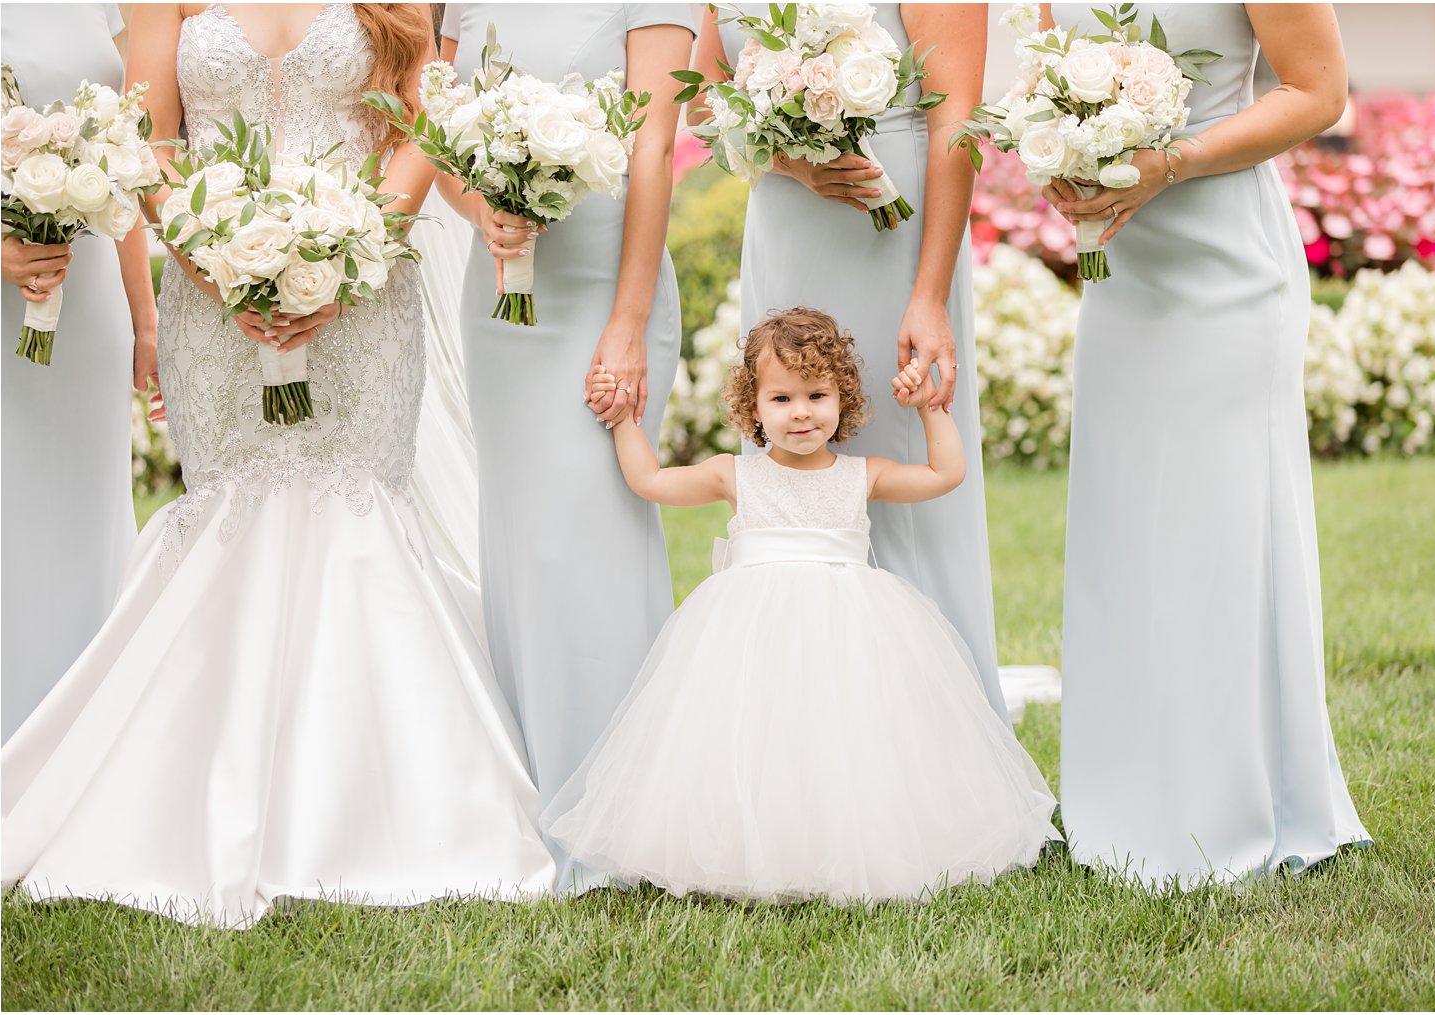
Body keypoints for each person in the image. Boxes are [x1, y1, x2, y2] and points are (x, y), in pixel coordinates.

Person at [2, 3, 555, 928]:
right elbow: (152, 136)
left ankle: (376, 805)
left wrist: (347, 261)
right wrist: (219, 266)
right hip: (207, 297)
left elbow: (420, 124)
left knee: (356, 508)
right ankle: (195, 795)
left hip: (366, 288)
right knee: (234, 512)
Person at [543, 308, 1059, 902]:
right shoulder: (733, 475)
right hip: (750, 632)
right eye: (782, 398)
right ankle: (756, 845)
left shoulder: (864, 475)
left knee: (846, 735)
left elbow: (946, 473)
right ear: (754, 407)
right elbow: (650, 481)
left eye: (817, 394)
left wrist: (931, 408)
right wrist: (622, 421)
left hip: (851, 628)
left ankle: (845, 840)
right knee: (756, 737)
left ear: (842, 399)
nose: (801, 413)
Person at [1044, 2, 1372, 888]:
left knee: (1220, 529)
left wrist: (1168, 161)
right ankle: (1123, 796)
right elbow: (1054, 73)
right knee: (1127, 527)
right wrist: (1061, 156)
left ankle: (1239, 807)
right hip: (1126, 263)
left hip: (1226, 259)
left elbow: (1319, 91)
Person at [690, 3, 1012, 719]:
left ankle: (944, 739)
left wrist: (929, 295)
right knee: (793, 481)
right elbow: (702, 100)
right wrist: (789, 160)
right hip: (786, 221)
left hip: (892, 236)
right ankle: (804, 734)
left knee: (904, 473)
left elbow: (956, 118)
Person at [436, 4, 695, 892]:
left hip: (600, 291)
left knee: (592, 538)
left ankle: (627, 814)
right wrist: (483, 212)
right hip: (501, 296)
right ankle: (537, 798)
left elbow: (655, 149)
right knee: (523, 542)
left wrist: (627, 324)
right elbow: (438, 132)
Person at [0, 4, 161, 741]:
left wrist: (145, 316)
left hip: (88, 302)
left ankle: (79, 756)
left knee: (86, 516)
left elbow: (122, 156)